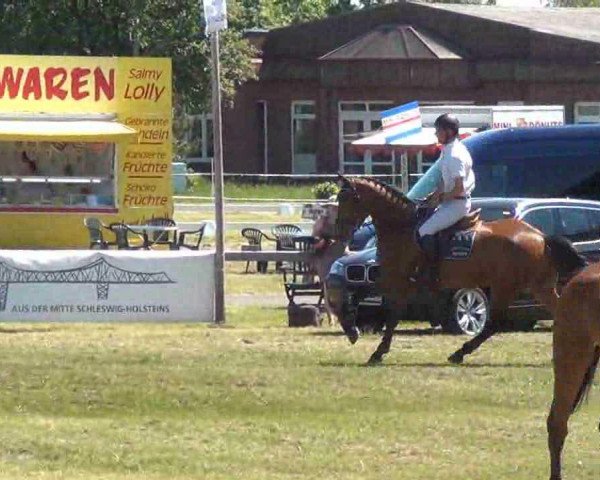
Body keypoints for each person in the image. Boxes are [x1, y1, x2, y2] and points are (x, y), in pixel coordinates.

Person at [412, 113, 476, 286]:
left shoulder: (455, 155)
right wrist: (431, 196)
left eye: (438, 131)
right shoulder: (447, 151)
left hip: (457, 204)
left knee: (424, 231)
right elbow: (443, 181)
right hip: (451, 201)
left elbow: (458, 188)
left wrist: (439, 200)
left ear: (448, 132)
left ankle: (433, 272)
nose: (436, 134)